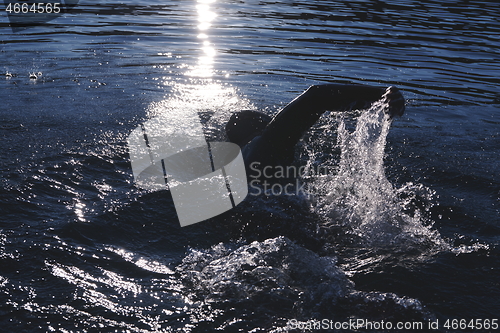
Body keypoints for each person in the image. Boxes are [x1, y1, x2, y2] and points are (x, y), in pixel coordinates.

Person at [225, 84, 405, 180]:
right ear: (263, 127)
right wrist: (383, 95)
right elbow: (316, 96)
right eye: (271, 123)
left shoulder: (240, 167)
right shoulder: (263, 148)